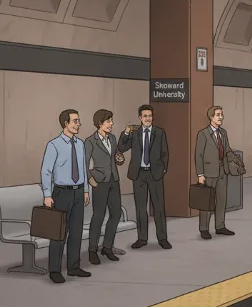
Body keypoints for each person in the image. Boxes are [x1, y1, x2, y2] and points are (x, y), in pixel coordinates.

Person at [40, 109, 91, 283]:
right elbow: (46, 171)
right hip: (61, 193)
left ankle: (73, 267)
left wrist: (85, 191)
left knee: (76, 231)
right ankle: (54, 270)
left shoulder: (80, 144)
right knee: (59, 233)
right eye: (75, 121)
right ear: (65, 124)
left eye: (79, 121)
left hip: (78, 192)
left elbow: (83, 168)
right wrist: (47, 195)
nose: (78, 124)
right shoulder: (53, 145)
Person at [117, 104, 171, 249]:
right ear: (140, 118)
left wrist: (163, 170)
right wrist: (126, 133)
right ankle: (142, 238)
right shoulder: (134, 133)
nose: (148, 118)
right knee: (141, 208)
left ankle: (162, 238)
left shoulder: (159, 132)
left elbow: (165, 153)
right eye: (145, 116)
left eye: (150, 116)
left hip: (155, 174)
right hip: (139, 174)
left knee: (159, 207)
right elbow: (121, 148)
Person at [84, 109, 126, 264]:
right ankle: (92, 250)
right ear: (100, 123)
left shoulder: (113, 139)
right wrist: (90, 179)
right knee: (98, 217)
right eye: (108, 121)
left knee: (115, 214)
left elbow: (115, 157)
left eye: (111, 121)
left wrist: (119, 159)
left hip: (114, 180)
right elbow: (84, 163)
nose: (111, 124)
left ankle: (107, 247)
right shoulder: (90, 141)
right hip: (100, 182)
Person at [196, 106, 235, 239]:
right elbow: (198, 155)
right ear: (211, 117)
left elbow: (227, 150)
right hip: (208, 173)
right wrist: (200, 174)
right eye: (218, 115)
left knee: (221, 200)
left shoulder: (223, 133)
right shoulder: (203, 134)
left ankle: (220, 226)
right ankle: (204, 229)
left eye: (221, 114)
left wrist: (235, 163)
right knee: (206, 202)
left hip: (222, 172)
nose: (221, 117)